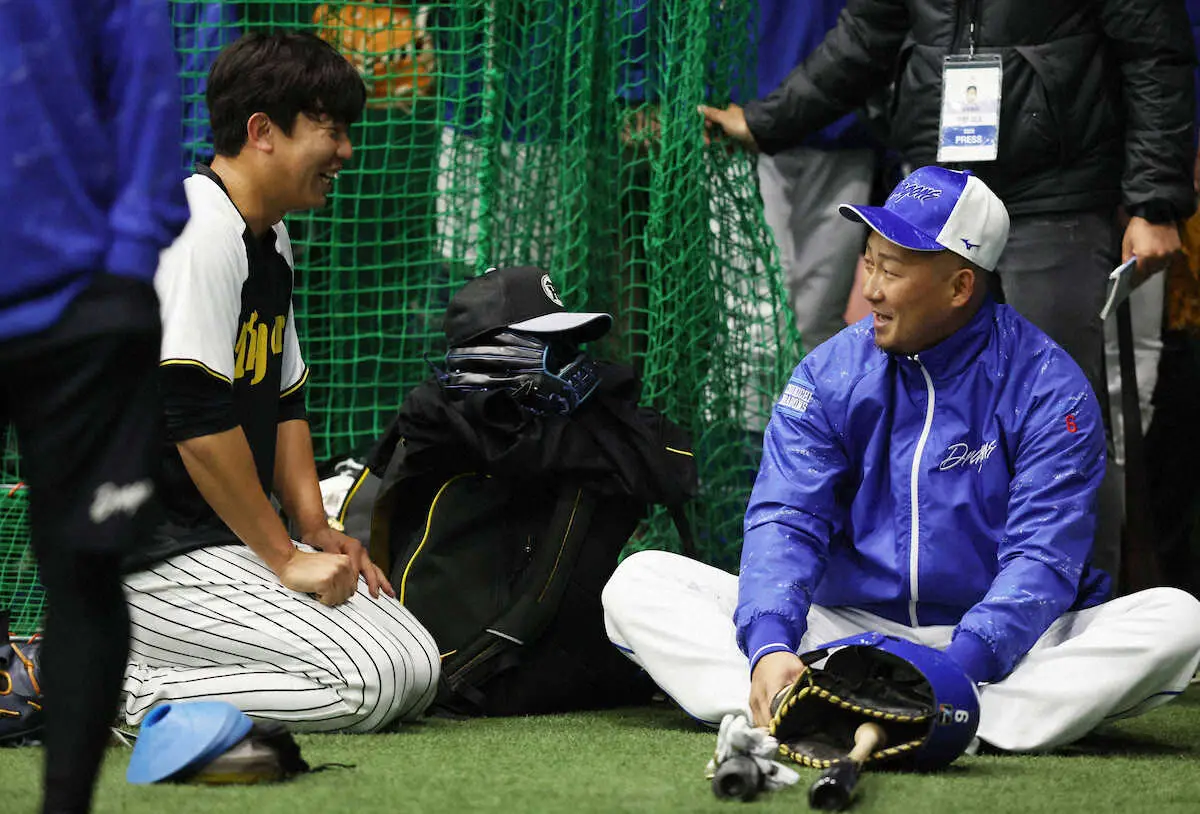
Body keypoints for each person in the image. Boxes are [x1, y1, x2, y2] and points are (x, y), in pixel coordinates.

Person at [602, 166, 1200, 751]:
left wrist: (963, 663)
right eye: (869, 261)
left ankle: (901, 714)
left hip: (995, 652)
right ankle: (846, 705)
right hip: (846, 632)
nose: (871, 289)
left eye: (891, 270)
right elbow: (787, 518)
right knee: (639, 581)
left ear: (960, 287)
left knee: (1179, 619)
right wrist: (770, 645)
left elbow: (1041, 559)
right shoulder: (830, 372)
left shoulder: (1048, 386)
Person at [698, 0, 1196, 582]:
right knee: (929, 414)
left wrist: (1154, 201)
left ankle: (1071, 608)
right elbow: (866, 32)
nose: (871, 287)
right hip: (936, 193)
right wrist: (769, 120)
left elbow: (1154, 50)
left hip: (1055, 195)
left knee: (1062, 420)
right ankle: (943, 598)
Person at [119, 31, 440, 734]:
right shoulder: (197, 229)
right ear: (262, 131)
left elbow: (285, 399)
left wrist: (315, 528)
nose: (346, 150)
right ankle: (120, 688)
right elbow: (197, 423)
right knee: (370, 682)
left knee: (418, 663)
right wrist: (284, 557)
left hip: (218, 543)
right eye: (331, 129)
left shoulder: (269, 234)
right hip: (147, 556)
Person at [0, 2, 189, 812]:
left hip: (81, 302)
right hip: (88, 294)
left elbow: (144, 72)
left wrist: (127, 257)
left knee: (83, 568)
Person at [749, 0, 879, 352]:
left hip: (847, 125)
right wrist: (640, 85)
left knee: (819, 321)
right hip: (744, 120)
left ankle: (808, 394)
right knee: (757, 322)